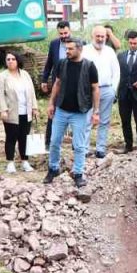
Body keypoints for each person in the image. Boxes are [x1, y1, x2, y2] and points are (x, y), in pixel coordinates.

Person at [45, 38, 99, 188]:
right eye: (66, 48)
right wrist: (51, 103)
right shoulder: (62, 64)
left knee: (79, 145)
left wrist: (96, 112)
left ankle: (78, 173)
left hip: (80, 112)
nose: (67, 51)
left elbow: (95, 89)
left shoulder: (89, 66)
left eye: (70, 49)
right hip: (61, 110)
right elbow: (57, 83)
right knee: (54, 141)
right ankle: (53, 169)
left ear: (79, 49)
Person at [81, 25, 120, 158]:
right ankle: (85, 148)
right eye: (97, 36)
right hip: (89, 91)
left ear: (106, 37)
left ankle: (100, 148)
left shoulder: (110, 51)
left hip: (107, 89)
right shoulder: (85, 51)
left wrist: (113, 89)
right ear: (93, 36)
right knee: (87, 119)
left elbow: (116, 72)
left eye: (102, 36)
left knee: (104, 121)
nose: (100, 39)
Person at [0, 50, 37, 173]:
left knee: (24, 137)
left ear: (18, 60)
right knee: (11, 137)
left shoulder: (25, 74)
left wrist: (34, 107)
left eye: (13, 59)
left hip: (26, 111)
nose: (11, 61)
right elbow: (0, 95)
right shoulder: (3, 76)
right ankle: (10, 162)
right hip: (11, 112)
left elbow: (32, 92)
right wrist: (3, 109)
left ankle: (25, 161)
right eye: (8, 59)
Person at [39, 20, 73, 148]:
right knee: (53, 110)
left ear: (70, 31)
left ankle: (76, 142)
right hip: (57, 84)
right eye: (61, 33)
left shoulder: (78, 43)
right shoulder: (54, 44)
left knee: (75, 113)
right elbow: (49, 64)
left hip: (74, 85)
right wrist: (44, 80)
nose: (64, 36)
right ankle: (48, 142)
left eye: (65, 33)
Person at [117, 30, 137, 152]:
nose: (133, 45)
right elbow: (116, 73)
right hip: (123, 93)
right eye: (131, 43)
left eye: (135, 43)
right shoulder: (121, 56)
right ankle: (128, 145)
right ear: (127, 42)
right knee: (125, 120)